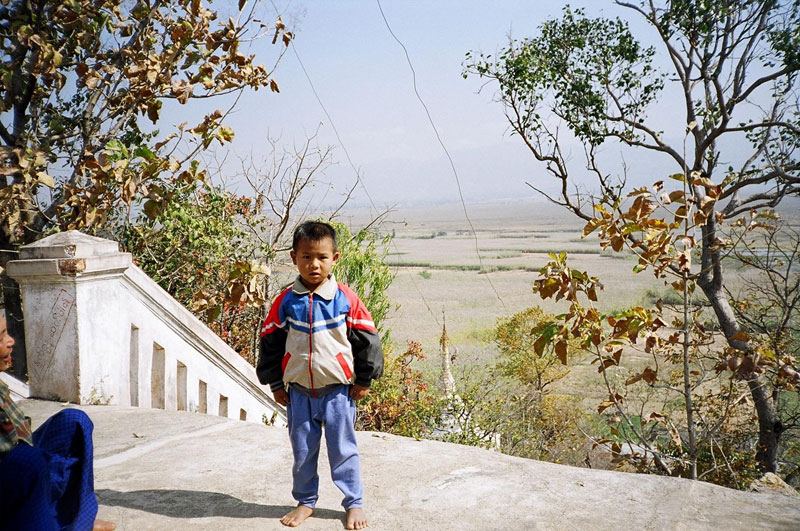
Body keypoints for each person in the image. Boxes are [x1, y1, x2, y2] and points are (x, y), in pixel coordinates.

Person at [257, 221, 384, 530]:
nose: (314, 264)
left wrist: (365, 380)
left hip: (338, 393)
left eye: (322, 257)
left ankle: (353, 503)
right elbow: (270, 342)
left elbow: (367, 340)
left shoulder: (345, 299)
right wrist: (275, 382)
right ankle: (305, 502)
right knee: (302, 453)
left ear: (334, 259)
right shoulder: (286, 301)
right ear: (293, 258)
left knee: (343, 451)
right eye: (306, 257)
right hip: (299, 392)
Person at [0, 313, 115, 531]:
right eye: (1, 337)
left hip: (20, 464)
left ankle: (75, 521)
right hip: (11, 480)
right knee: (29, 461)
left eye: (6, 333)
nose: (10, 341)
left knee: (74, 422)